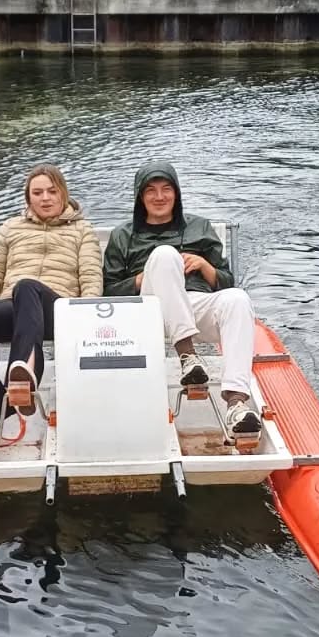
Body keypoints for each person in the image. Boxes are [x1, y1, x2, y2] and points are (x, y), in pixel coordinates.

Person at [103, 160, 262, 444]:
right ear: (140, 197)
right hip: (146, 313)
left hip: (194, 304)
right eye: (150, 190)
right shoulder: (123, 236)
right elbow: (108, 292)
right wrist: (140, 279)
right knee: (165, 256)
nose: (159, 196)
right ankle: (188, 355)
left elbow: (227, 282)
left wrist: (204, 265)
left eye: (166, 189)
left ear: (176, 194)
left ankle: (236, 402)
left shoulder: (200, 227)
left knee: (238, 299)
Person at [0, 165, 103, 456]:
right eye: (37, 192)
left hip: (60, 311)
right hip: (16, 309)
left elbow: (92, 283)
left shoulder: (82, 230)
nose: (45, 198)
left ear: (63, 193)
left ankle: (25, 373)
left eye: (52, 191)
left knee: (27, 286)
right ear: (28, 198)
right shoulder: (11, 229)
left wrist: (85, 322)